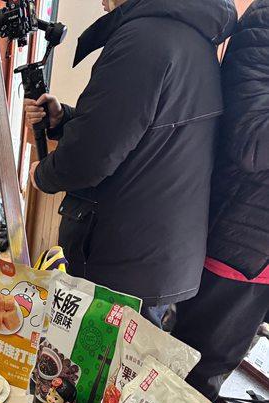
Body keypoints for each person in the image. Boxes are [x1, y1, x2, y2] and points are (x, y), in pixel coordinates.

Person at [25, 0, 237, 326]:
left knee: (96, 354)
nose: (102, 2)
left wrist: (42, 175)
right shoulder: (192, 36)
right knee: (132, 353)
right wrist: (64, 119)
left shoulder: (143, 39)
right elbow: (141, 133)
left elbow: (91, 157)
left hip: (122, 259)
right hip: (157, 254)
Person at [172, 0, 269, 401]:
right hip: (239, 244)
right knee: (193, 378)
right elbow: (252, 142)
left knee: (220, 373)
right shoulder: (264, 21)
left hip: (260, 252)